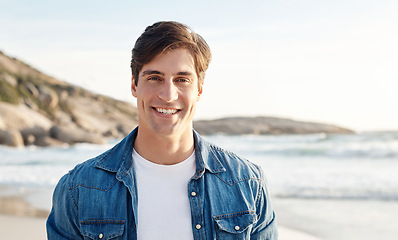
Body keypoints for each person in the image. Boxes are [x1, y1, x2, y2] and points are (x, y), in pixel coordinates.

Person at [46, 21, 278, 239]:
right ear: (134, 85)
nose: (168, 95)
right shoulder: (79, 189)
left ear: (199, 90)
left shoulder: (247, 183)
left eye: (182, 80)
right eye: (155, 78)